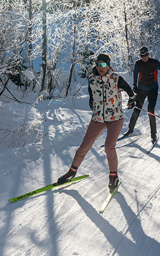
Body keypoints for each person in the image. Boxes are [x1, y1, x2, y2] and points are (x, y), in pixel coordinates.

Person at [56, 53, 135, 193]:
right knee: (83, 147)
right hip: (98, 119)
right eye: (98, 64)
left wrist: (132, 99)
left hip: (115, 119)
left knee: (109, 147)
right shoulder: (92, 80)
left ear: (108, 65)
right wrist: (93, 105)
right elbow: (92, 97)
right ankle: (72, 172)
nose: (100, 67)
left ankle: (113, 176)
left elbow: (130, 92)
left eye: (103, 64)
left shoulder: (117, 78)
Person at [123, 45, 160, 144]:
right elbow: (135, 74)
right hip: (142, 88)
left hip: (153, 89)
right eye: (142, 56)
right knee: (137, 108)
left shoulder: (154, 62)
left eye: (145, 55)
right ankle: (130, 130)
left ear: (148, 54)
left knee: (150, 110)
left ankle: (153, 134)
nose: (144, 57)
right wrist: (134, 85)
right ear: (140, 56)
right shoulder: (138, 63)